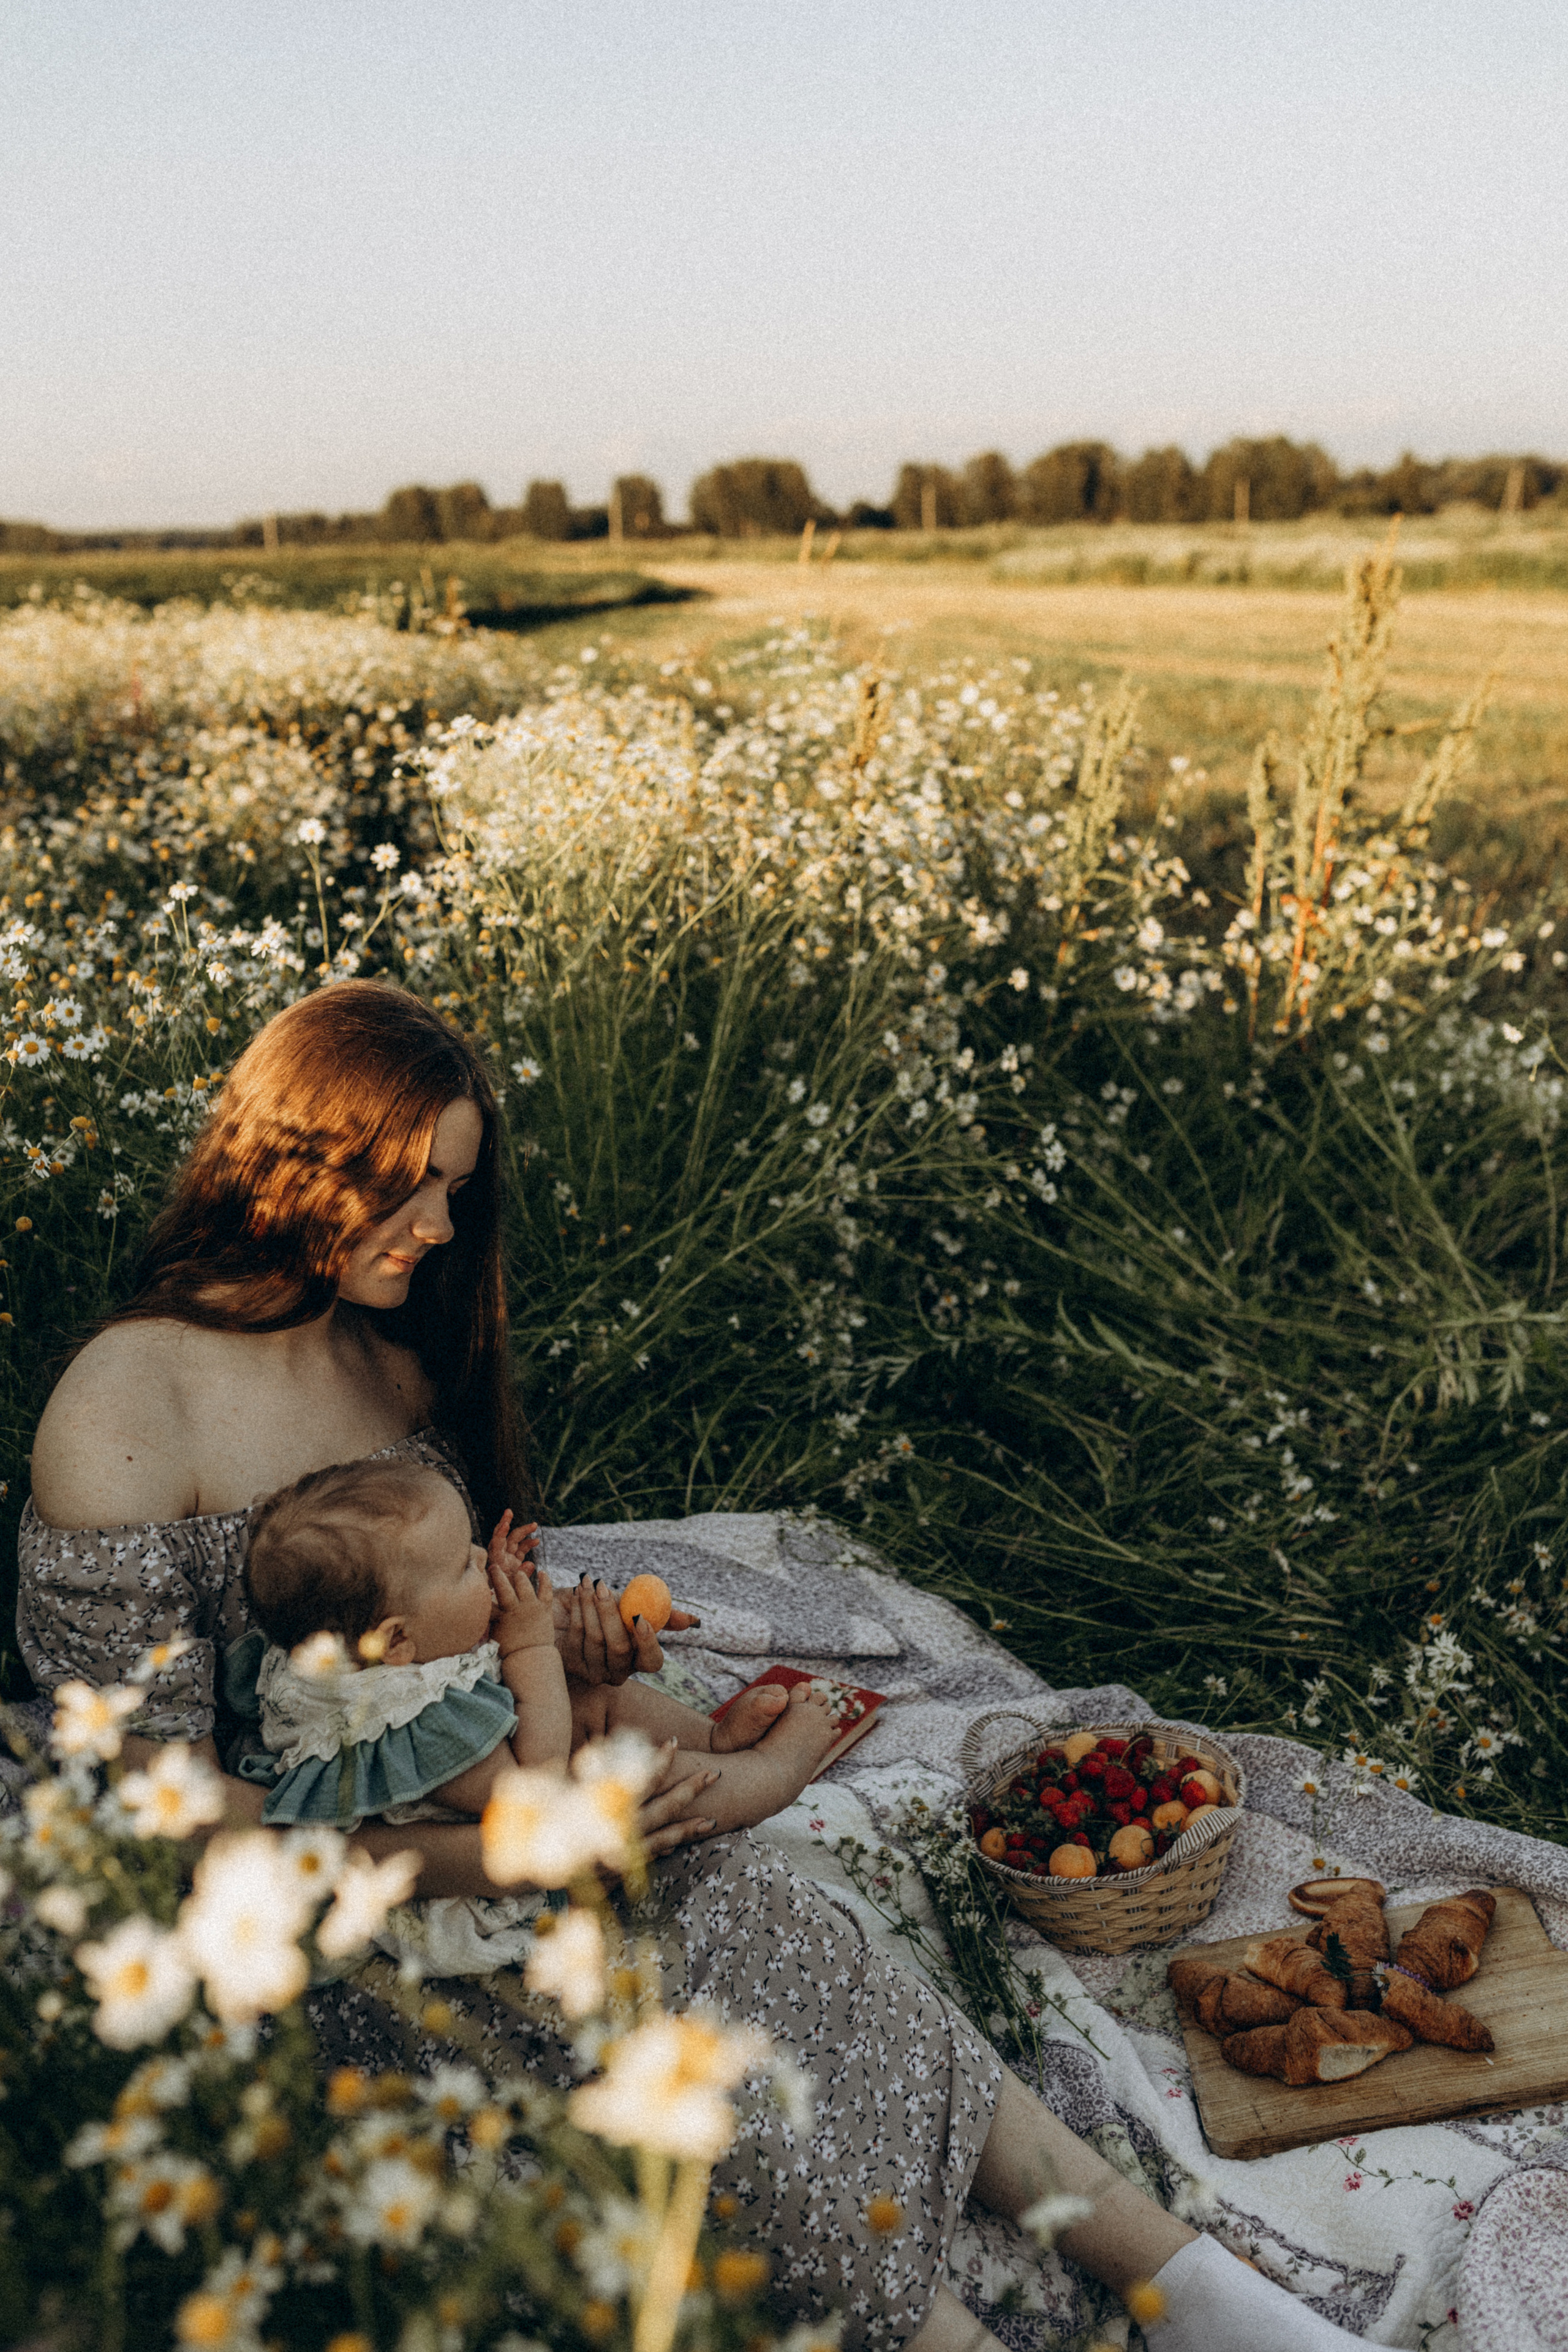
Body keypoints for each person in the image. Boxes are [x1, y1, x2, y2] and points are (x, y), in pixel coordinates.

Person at [17, 981, 1365, 2352]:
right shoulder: (132, 1405)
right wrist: (505, 1861)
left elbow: (455, 1628)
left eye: (453, 1192)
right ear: (299, 1154)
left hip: (505, 1823)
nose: (437, 1228)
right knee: (683, 2079)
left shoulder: (390, 1363)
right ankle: (945, 2329)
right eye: (408, 1188)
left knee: (762, 1917)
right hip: (325, 1931)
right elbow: (147, 1810)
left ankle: (1189, 2285)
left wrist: (559, 1645)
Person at [237, 1452, 840, 1970]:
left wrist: (481, 1599)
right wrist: (528, 1646)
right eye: (463, 1566)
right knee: (628, 1777)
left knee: (589, 1695)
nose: (482, 1561)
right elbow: (540, 1791)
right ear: (397, 1641)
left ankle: (714, 1735)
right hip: (498, 1866)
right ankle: (774, 1772)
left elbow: (454, 1648)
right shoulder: (414, 1725)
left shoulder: (351, 1656)